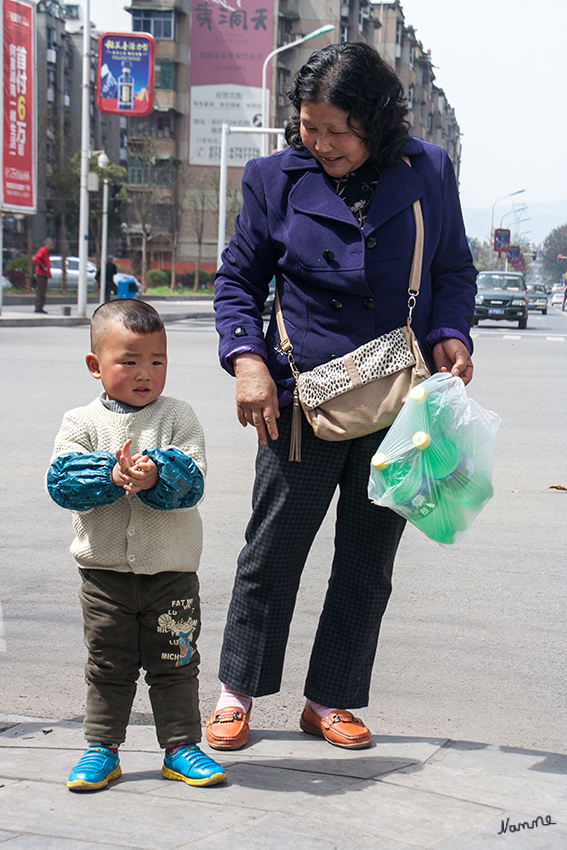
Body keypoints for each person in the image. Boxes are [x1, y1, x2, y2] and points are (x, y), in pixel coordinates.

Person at [208, 42, 477, 751]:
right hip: (300, 398)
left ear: (377, 122)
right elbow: (238, 279)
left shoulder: (428, 171)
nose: (321, 143)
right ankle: (236, 691)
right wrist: (246, 360)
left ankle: (329, 698)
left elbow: (451, 268)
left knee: (367, 559)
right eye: (309, 126)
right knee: (271, 552)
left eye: (338, 130)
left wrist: (451, 333)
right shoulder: (272, 177)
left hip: (399, 401)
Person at [47, 299, 226, 791]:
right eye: (129, 361)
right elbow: (61, 482)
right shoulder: (80, 422)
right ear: (95, 366)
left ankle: (181, 747)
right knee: (108, 663)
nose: (145, 373)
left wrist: (156, 476)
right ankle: (101, 748)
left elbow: (192, 481)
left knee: (176, 661)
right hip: (104, 578)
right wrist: (109, 473)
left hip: (172, 575)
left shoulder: (179, 417)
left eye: (156, 361)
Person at [33, 238, 53, 313]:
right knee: (41, 290)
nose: (51, 247)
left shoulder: (46, 252)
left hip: (44, 274)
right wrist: (42, 267)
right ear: (46, 244)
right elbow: (36, 259)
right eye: (50, 245)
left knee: (43, 290)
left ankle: (40, 306)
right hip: (41, 273)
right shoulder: (43, 250)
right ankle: (38, 307)